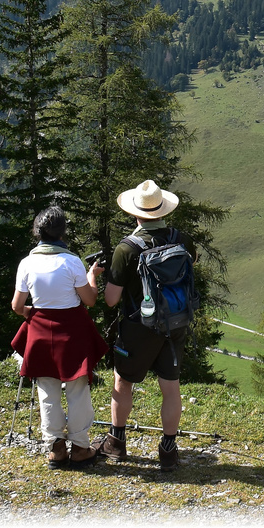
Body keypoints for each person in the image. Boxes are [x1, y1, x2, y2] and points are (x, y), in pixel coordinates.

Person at [93, 179, 190, 471]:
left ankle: (116, 443)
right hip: (174, 323)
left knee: (123, 382)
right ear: (163, 210)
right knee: (170, 388)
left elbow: (111, 300)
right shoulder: (182, 239)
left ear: (135, 213)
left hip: (138, 327)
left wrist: (96, 277)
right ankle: (169, 451)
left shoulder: (127, 248)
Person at [11, 205, 109, 469]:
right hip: (72, 330)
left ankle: (55, 448)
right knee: (77, 389)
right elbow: (89, 300)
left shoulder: (27, 264)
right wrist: (91, 277)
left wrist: (34, 311)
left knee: (47, 390)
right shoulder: (72, 261)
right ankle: (79, 447)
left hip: (41, 331)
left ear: (37, 232)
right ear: (62, 232)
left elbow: (17, 307)